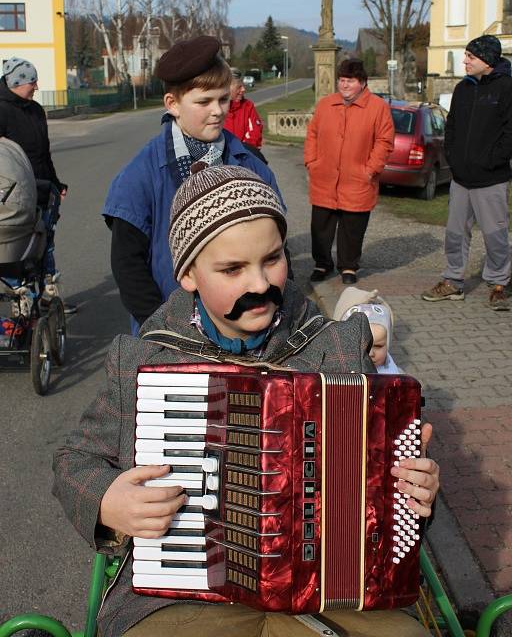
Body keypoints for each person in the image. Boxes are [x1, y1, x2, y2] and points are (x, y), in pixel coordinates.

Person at [53, 165, 439, 637]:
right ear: (188, 274)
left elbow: (381, 501)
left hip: (330, 595)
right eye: (232, 269)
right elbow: (74, 459)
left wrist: (414, 492)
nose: (259, 284)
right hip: (185, 600)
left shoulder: (336, 348)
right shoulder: (145, 358)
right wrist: (106, 501)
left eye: (272, 259)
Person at [103, 36, 283, 334]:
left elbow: (278, 247)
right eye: (204, 101)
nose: (218, 111)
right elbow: (127, 265)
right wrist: (162, 329)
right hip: (168, 331)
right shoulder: (140, 174)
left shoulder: (251, 164)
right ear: (172, 103)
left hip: (244, 328)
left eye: (223, 99)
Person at [422, 35, 512, 311]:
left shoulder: (506, 88)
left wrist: (492, 160)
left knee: (495, 234)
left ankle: (499, 284)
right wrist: (454, 159)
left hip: (491, 178)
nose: (465, 61)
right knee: (455, 234)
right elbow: (452, 128)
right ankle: (453, 282)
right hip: (461, 179)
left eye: (470, 57)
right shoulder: (462, 88)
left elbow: (509, 133)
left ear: (487, 59)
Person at [304, 58, 394, 285]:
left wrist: (370, 170)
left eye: (350, 81)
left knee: (352, 228)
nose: (344, 85)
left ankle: (349, 266)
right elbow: (312, 134)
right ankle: (322, 263)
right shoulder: (325, 104)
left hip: (358, 179)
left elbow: (384, 141)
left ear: (362, 83)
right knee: (321, 227)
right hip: (324, 177)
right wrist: (311, 162)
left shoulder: (378, 107)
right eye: (342, 80)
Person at [0, 58, 75, 313]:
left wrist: (55, 182)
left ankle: (48, 298)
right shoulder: (1, 110)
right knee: (15, 248)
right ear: (18, 82)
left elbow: (44, 152)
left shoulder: (35, 110)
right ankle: (18, 299)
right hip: (13, 196)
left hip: (43, 189)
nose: (36, 86)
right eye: (32, 82)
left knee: (46, 243)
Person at [335, 286, 403, 374]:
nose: (370, 354)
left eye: (378, 346)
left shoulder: (397, 377)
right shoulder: (329, 375)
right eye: (360, 346)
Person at [224, 68, 264, 153]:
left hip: (244, 155)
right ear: (227, 88)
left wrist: (240, 153)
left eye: (243, 86)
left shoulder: (248, 106)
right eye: (239, 87)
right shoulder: (217, 108)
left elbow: (255, 133)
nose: (243, 89)